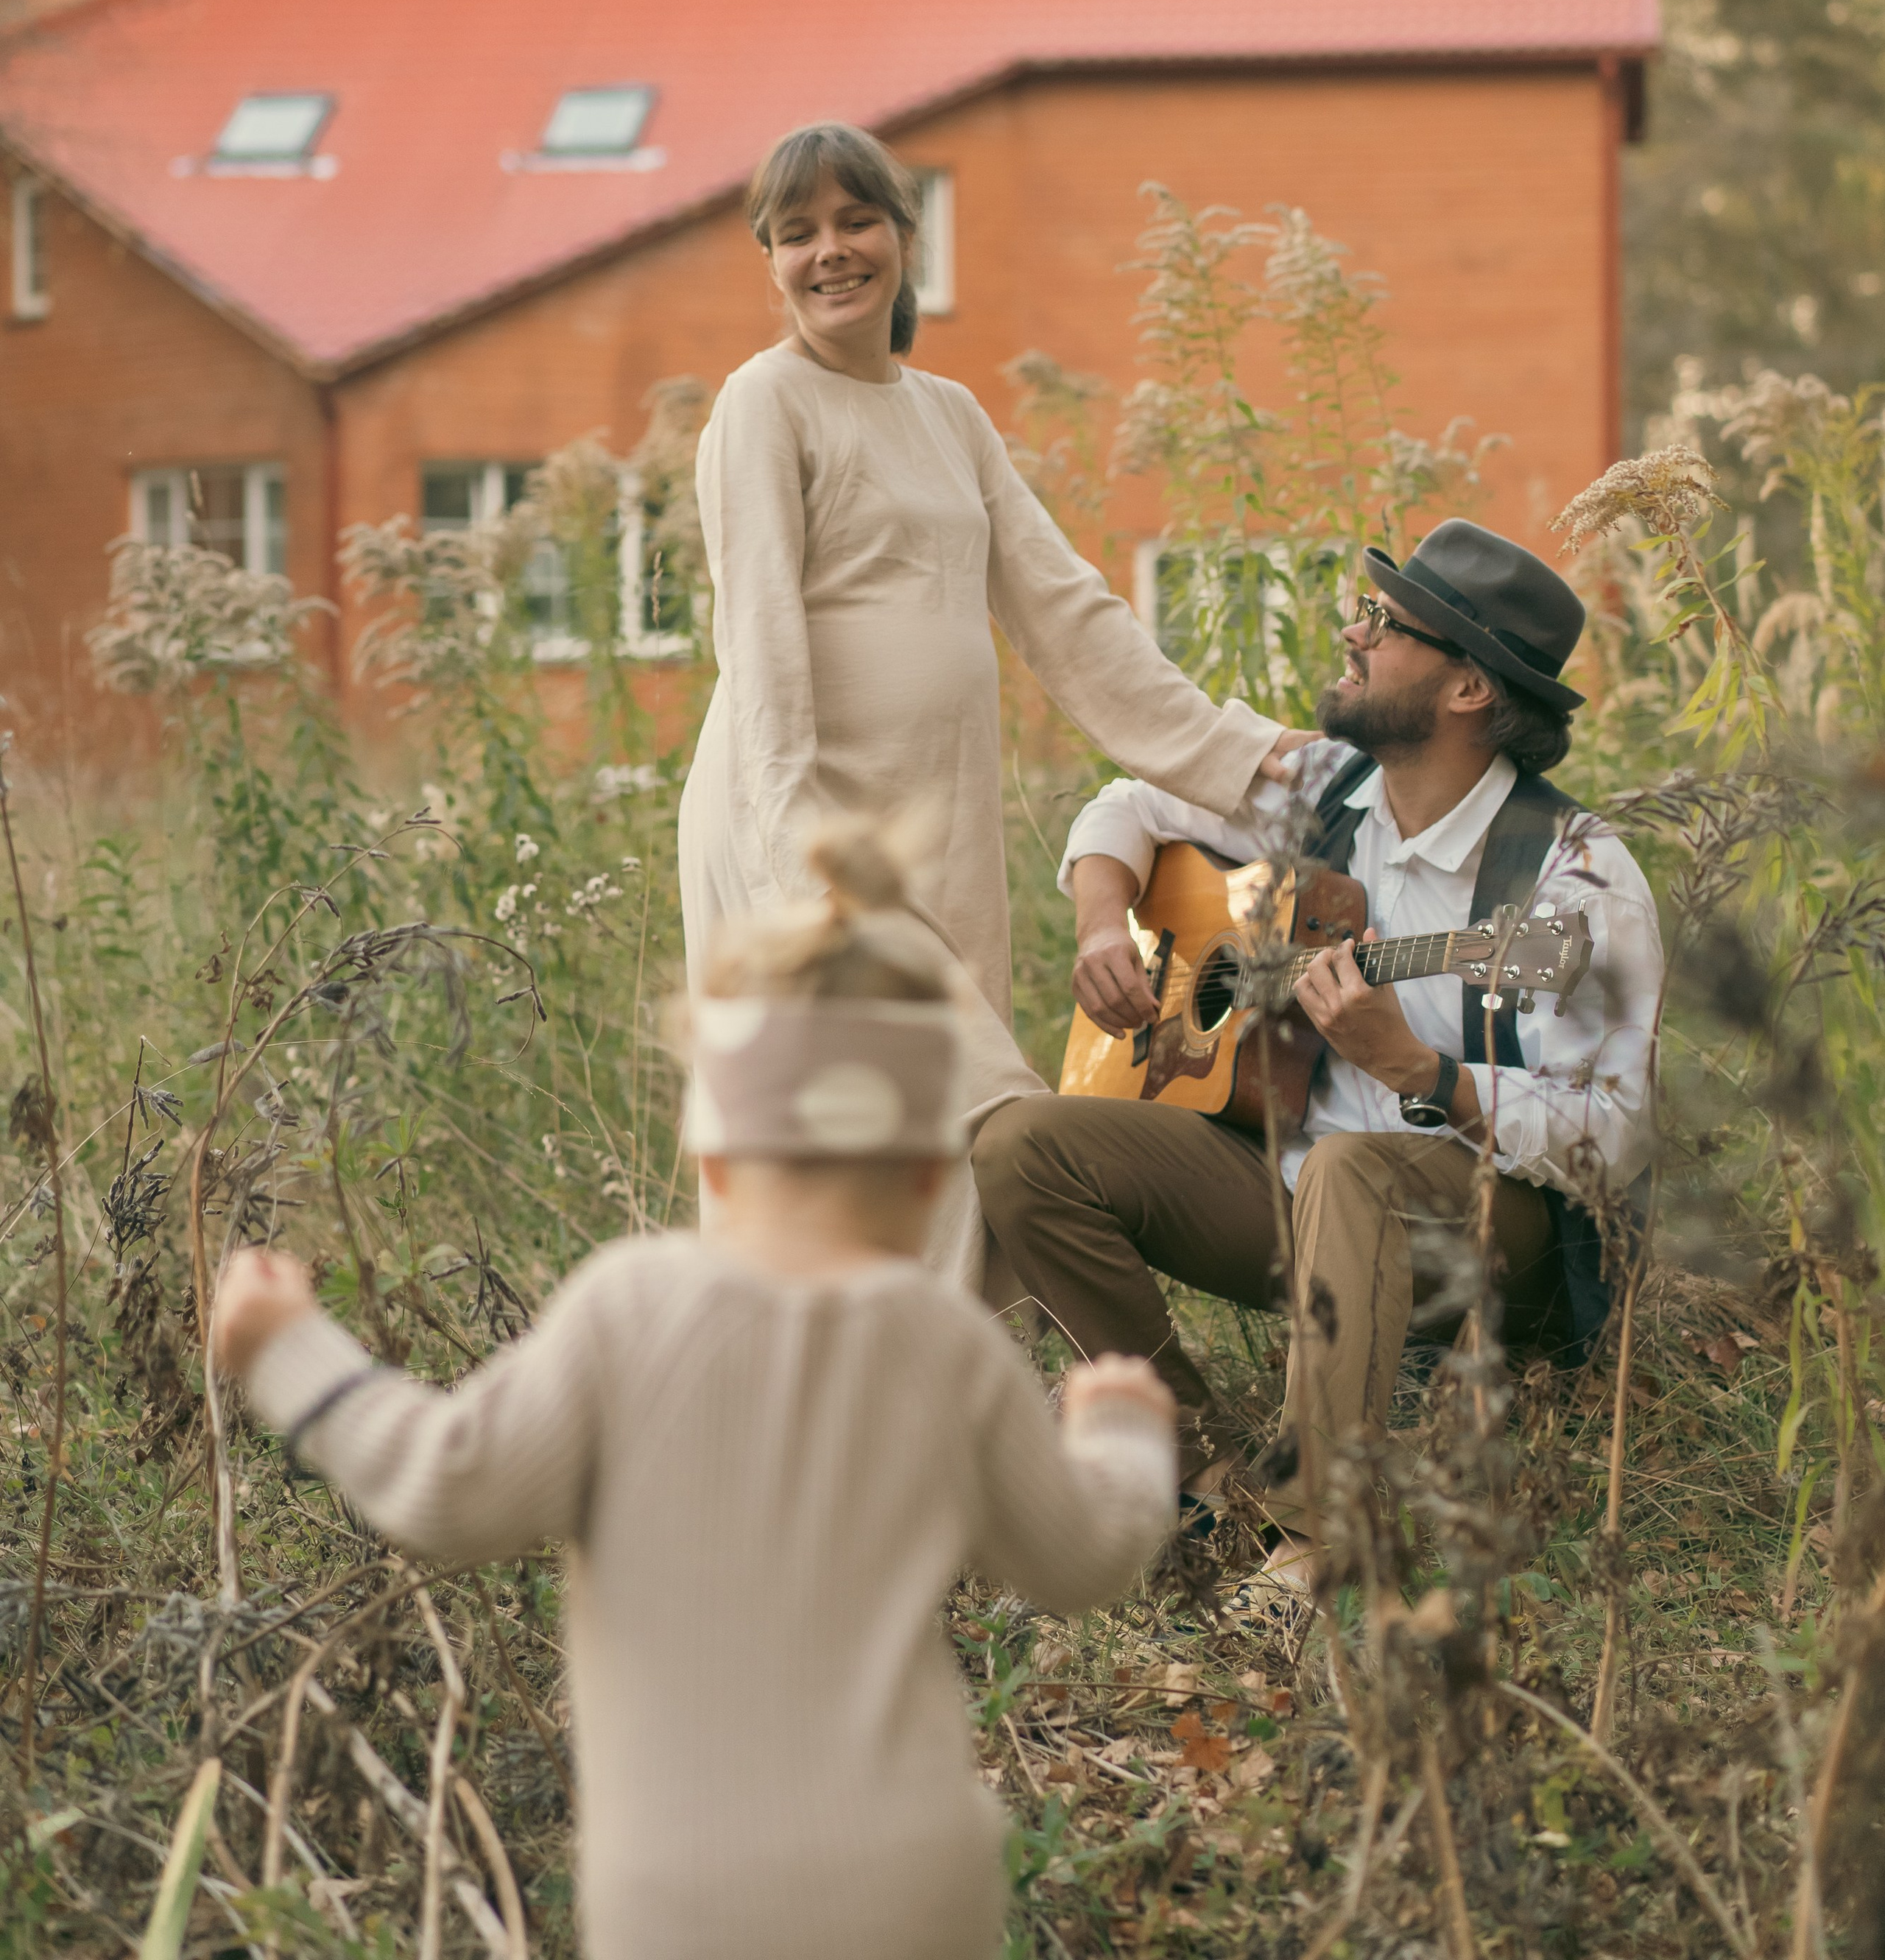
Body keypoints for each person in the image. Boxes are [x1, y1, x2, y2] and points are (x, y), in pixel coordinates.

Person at [214, 825, 1177, 1960]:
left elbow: (444, 1490)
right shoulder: (949, 1344)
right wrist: (1121, 1436)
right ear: (929, 1170)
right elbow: (1081, 1561)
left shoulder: (630, 1308)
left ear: (709, 1151)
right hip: (914, 1881)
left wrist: (292, 1352)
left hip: (683, 1895)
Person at [970, 520, 1663, 1587]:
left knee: (1355, 1168)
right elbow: (1128, 799)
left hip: (1486, 1252)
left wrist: (1428, 1076)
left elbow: (1611, 1140)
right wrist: (1107, 923)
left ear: (1468, 689)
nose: (1352, 631)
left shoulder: (1576, 879)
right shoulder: (1324, 785)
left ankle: (1313, 1537)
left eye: (1384, 625)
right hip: (1295, 1199)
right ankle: (1194, 1471)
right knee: (1021, 1145)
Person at [677, 121, 1280, 1283]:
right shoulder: (765, 406)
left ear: (907, 236)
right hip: (801, 829)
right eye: (796, 234)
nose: (831, 252)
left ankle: (939, 1410)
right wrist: (810, 871)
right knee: (856, 1128)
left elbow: (1069, 613)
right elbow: (757, 653)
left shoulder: (949, 415)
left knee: (942, 1152)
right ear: (770, 261)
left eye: (857, 221)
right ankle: (780, 1417)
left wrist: (1247, 761)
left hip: (938, 833)